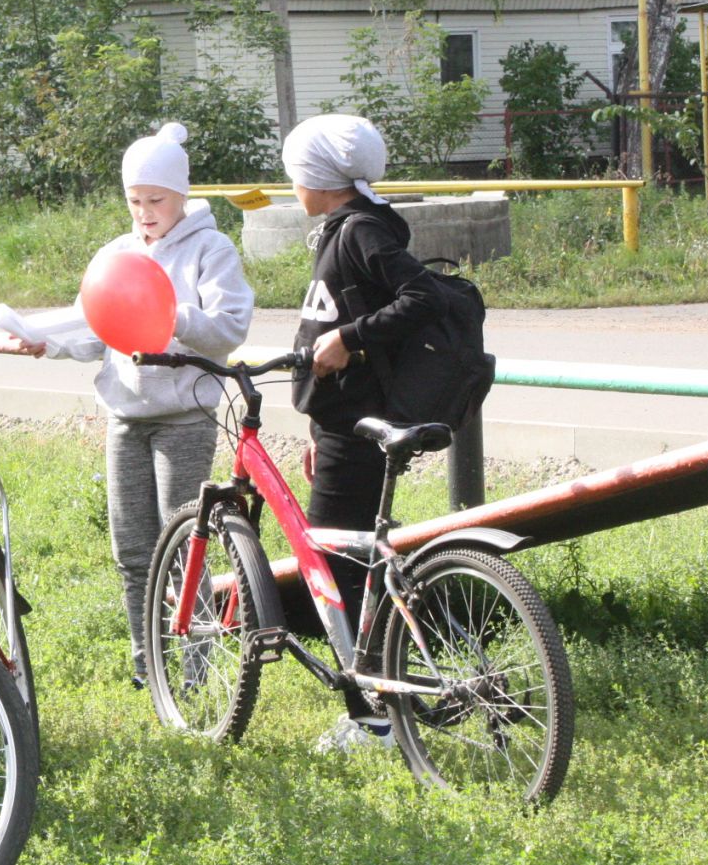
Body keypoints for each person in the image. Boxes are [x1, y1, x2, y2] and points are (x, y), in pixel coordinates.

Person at [38, 122, 253, 689]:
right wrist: (42, 341)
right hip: (126, 419)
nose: (144, 211)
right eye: (135, 201)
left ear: (181, 194)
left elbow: (229, 328)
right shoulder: (117, 253)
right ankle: (147, 668)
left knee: (184, 543)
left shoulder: (211, 248)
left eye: (156, 199)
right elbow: (93, 330)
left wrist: (169, 312)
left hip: (183, 419)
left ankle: (195, 677)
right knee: (133, 549)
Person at [283, 113, 446, 753]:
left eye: (297, 175)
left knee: (335, 571)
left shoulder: (359, 232)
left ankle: (371, 715)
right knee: (348, 561)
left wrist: (350, 338)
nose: (292, 186)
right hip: (341, 424)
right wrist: (322, 425)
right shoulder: (343, 229)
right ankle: (380, 695)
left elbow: (423, 296)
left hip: (360, 425)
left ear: (320, 180)